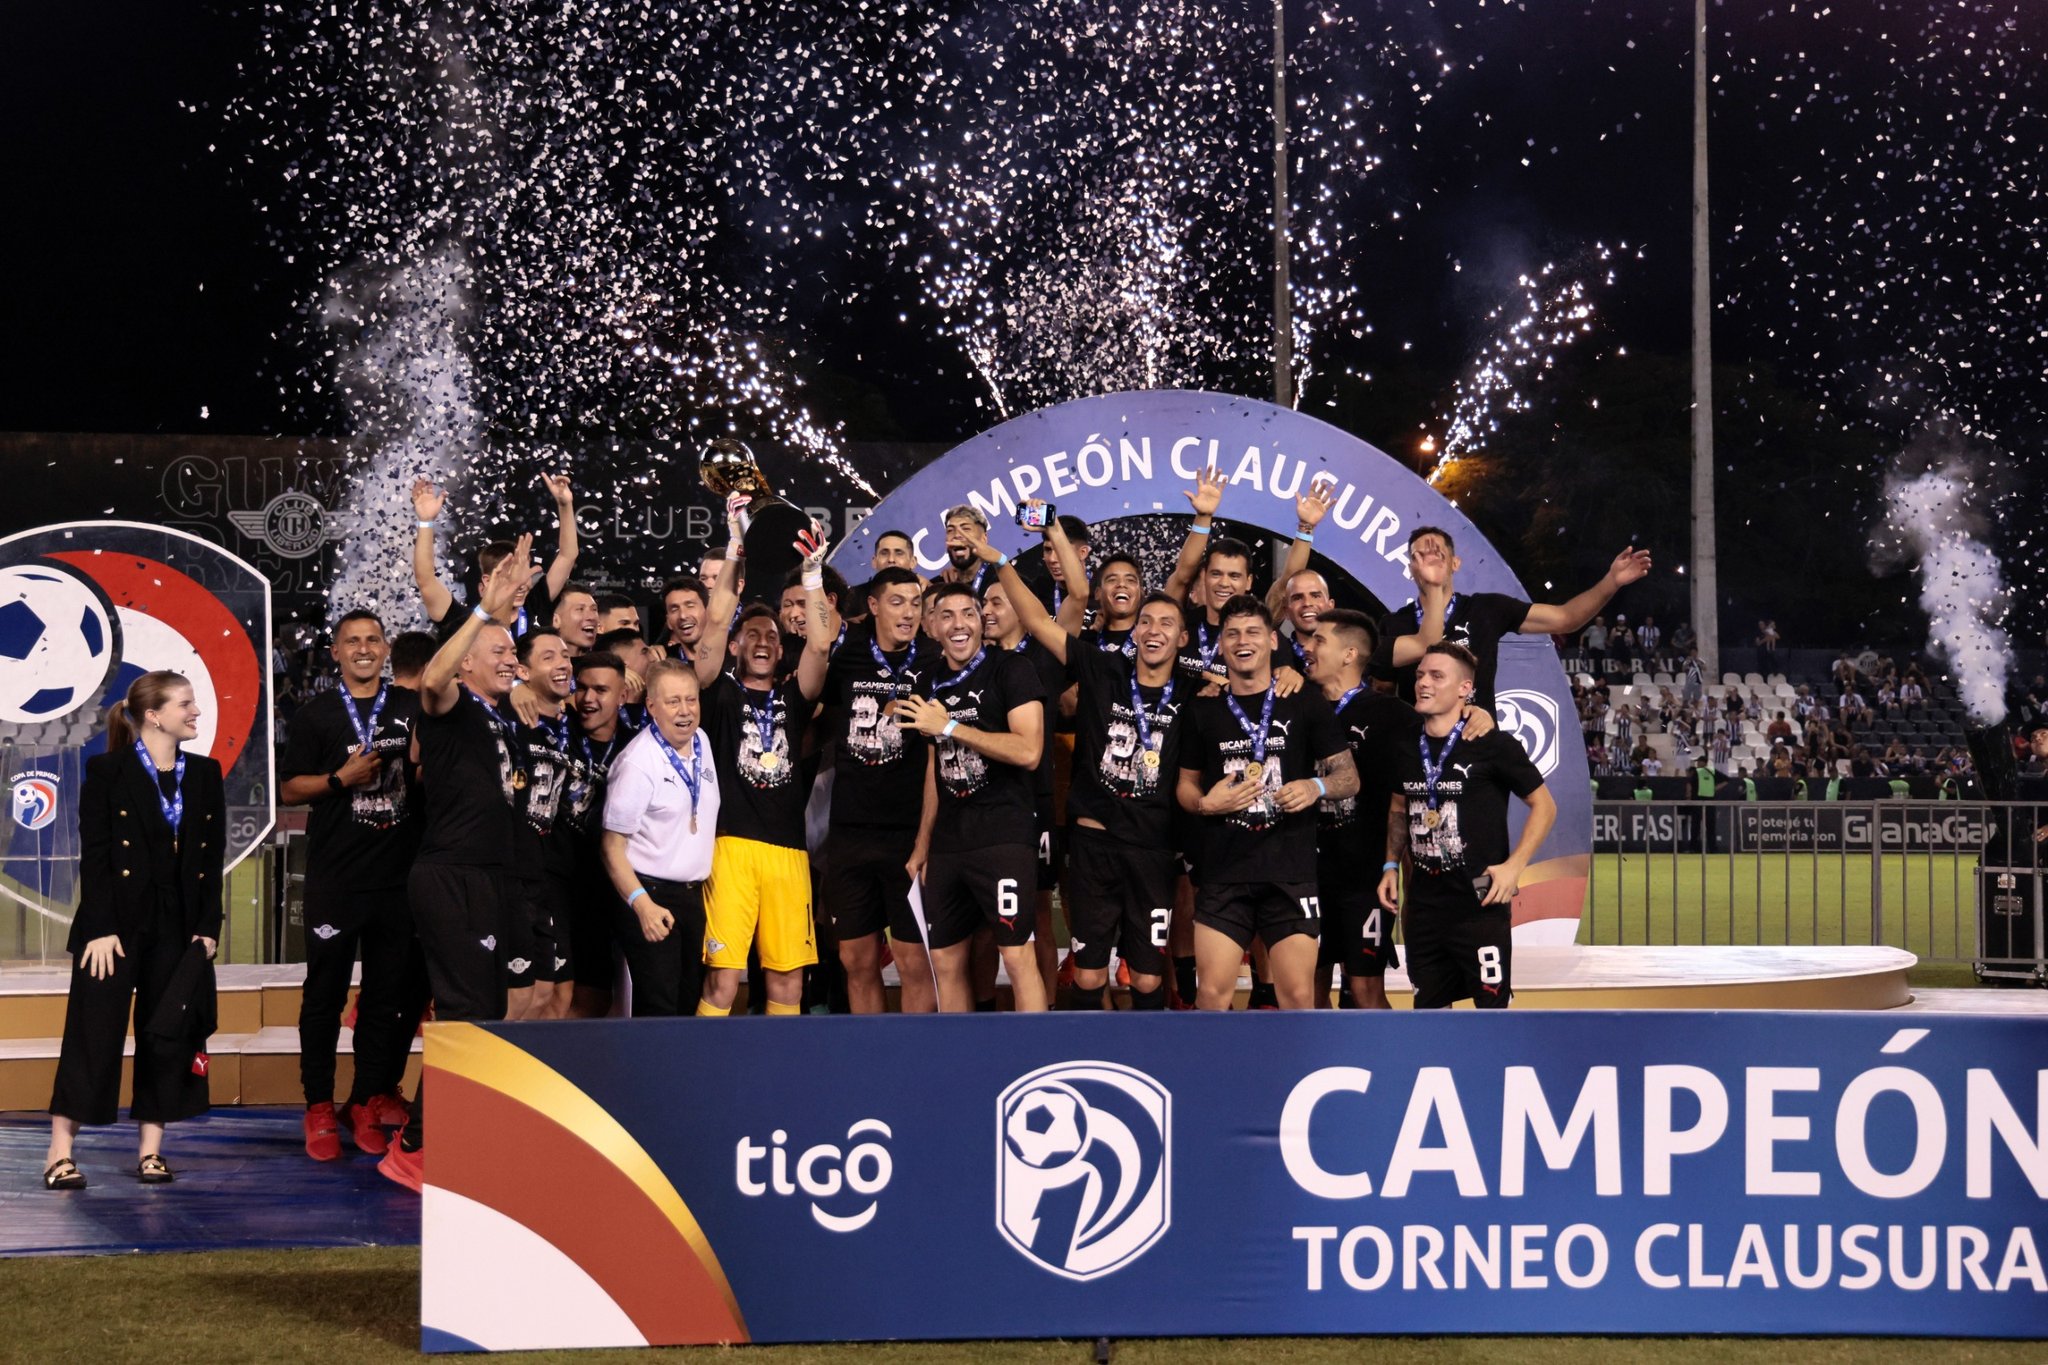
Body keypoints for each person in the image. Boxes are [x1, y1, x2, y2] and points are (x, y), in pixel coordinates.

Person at [378, 535, 536, 1193]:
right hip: (448, 874)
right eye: (498, 651)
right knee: (470, 1016)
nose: (511, 657)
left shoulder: (502, 718)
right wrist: (483, 609)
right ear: (467, 662)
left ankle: (438, 1139)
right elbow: (435, 676)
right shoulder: (447, 705)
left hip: (488, 877)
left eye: (511, 648)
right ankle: (415, 1150)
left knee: (484, 1016)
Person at [43, 672, 225, 1191]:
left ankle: (150, 1153)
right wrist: (99, 927)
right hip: (114, 926)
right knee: (92, 1034)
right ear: (154, 715)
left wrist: (207, 929)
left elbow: (210, 862)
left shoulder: (205, 774)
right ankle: (59, 1153)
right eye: (186, 704)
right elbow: (95, 857)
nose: (195, 712)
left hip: (179, 927)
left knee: (165, 1034)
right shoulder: (107, 770)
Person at [280, 610, 422, 1162]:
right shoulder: (316, 714)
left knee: (387, 1000)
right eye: (351, 642)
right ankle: (318, 1104)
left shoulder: (410, 709)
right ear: (335, 652)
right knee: (324, 995)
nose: (363, 649)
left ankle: (365, 1099)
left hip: (397, 880)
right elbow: (290, 790)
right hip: (337, 879)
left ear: (387, 650)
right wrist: (341, 779)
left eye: (373, 640)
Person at [1301, 609, 1492, 1010]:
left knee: (1367, 990)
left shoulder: (1393, 716)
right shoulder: (1296, 704)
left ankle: (1385, 1068)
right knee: (1307, 986)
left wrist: (1476, 712)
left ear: (1350, 653)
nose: (1307, 647)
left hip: (1363, 878)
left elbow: (1438, 739)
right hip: (1303, 875)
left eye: (1319, 640)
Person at [1176, 595, 1358, 1010]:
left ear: (1273, 641)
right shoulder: (1202, 709)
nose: (1244, 641)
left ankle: (1297, 1075)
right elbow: (1185, 787)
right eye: (1233, 633)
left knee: (1297, 995)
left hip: (1290, 873)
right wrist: (1207, 804)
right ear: (1221, 644)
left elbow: (1349, 777)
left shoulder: (1303, 699)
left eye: (1254, 632)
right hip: (1224, 873)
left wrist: (1315, 787)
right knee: (1211, 995)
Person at [690, 528, 836, 1017]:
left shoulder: (794, 696)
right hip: (731, 848)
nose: (762, 641)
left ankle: (781, 1083)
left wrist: (812, 573)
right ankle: (705, 1077)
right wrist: (735, 548)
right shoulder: (718, 693)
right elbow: (713, 621)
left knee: (788, 983)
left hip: (789, 852)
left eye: (771, 636)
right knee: (723, 981)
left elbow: (820, 643)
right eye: (751, 634)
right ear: (734, 645)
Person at [898, 580, 1049, 1011]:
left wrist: (949, 727)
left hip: (1003, 837)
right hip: (948, 843)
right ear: (931, 626)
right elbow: (934, 768)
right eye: (946, 615)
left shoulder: (1012, 670)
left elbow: (1029, 750)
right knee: (944, 960)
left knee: (1017, 957)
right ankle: (957, 1064)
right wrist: (923, 844)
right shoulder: (926, 682)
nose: (958, 624)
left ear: (982, 622)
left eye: (968, 614)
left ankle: (1033, 1064)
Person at [1381, 642, 1557, 1009]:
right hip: (1424, 907)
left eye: (1436, 676)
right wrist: (1390, 864)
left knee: (1491, 1015)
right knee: (1430, 1017)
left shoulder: (1493, 744)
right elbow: (1399, 806)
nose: (1423, 683)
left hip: (1480, 902)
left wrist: (1515, 866)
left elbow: (1545, 806)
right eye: (1419, 675)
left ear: (1465, 689)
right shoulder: (1403, 746)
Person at [820, 565, 940, 1013]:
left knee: (913, 960)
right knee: (856, 959)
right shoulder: (847, 655)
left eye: (915, 603)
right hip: (850, 833)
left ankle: (915, 1062)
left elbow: (934, 758)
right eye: (896, 602)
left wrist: (925, 840)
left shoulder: (932, 660)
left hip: (906, 834)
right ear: (872, 606)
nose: (908, 613)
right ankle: (871, 1061)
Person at [1374, 526, 1651, 712]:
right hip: (1419, 756)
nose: (1429, 562)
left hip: (1478, 750)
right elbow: (1384, 699)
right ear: (1410, 567)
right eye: (1419, 556)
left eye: (1437, 555)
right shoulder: (1394, 625)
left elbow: (1565, 618)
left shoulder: (1487, 608)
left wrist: (1611, 582)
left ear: (1455, 564)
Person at [602, 659, 722, 1016]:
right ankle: (650, 1073)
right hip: (650, 895)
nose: (685, 711)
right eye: (673, 702)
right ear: (652, 706)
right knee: (659, 1008)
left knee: (687, 1003)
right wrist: (642, 905)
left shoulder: (701, 740)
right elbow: (611, 848)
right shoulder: (638, 763)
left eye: (691, 700)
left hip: (692, 896)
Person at [508, 629, 581, 1020]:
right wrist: (513, 690)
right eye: (549, 656)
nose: (563, 663)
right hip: (513, 872)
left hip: (552, 874)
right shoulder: (509, 716)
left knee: (557, 997)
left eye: (565, 655)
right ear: (522, 668)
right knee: (524, 997)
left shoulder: (568, 724)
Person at [410, 474, 578, 639]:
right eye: (511, 575)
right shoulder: (463, 622)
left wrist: (565, 505)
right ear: (487, 581)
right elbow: (426, 580)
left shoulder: (536, 604)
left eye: (524, 574)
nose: (520, 584)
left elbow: (567, 556)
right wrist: (426, 521)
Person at [563, 649, 636, 1018]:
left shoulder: (638, 747)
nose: (589, 699)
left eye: (601, 690)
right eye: (582, 688)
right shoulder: (559, 729)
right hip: (556, 882)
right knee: (549, 994)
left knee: (595, 996)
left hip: (606, 887)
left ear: (623, 695)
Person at [551, 586, 600, 653]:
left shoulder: (604, 662)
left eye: (594, 609)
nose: (591, 617)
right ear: (555, 620)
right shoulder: (540, 663)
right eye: (580, 609)